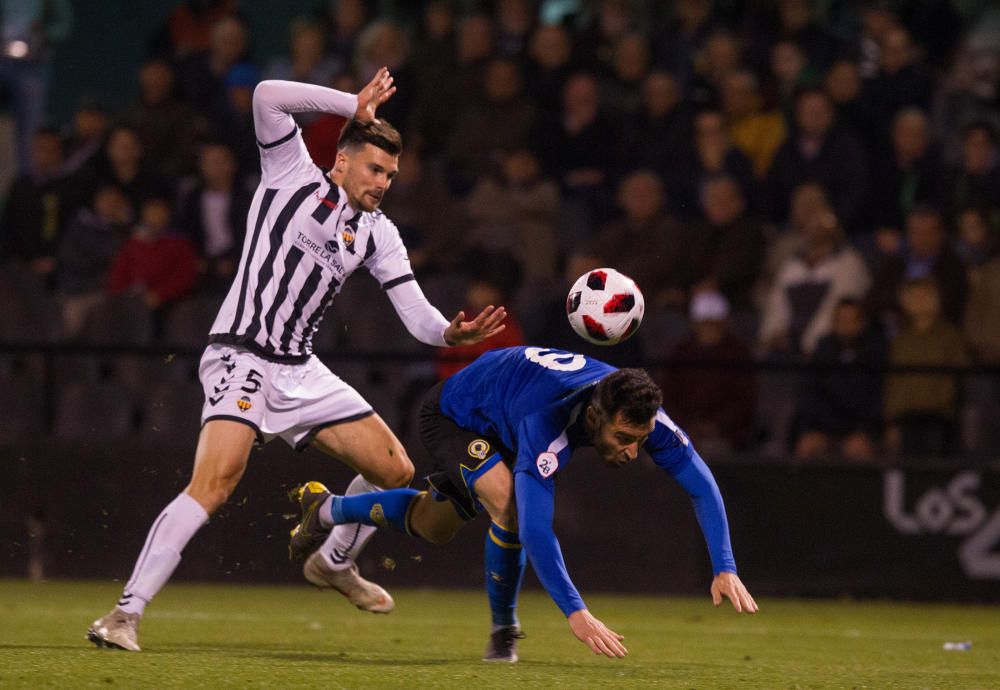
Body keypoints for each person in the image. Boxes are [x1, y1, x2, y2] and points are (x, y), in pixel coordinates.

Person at [87, 69, 506, 652]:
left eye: (391, 174)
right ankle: (124, 614)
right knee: (216, 482)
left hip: (300, 368)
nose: (383, 182)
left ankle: (333, 562)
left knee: (395, 469)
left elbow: (415, 314)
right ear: (342, 159)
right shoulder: (290, 175)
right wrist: (350, 103)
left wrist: (449, 333)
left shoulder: (378, 234)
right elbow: (266, 97)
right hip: (242, 356)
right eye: (374, 168)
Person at [288, 345, 757, 663]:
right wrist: (576, 611)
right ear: (594, 416)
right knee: (510, 507)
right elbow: (536, 529)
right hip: (459, 415)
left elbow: (702, 484)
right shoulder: (547, 423)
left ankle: (326, 508)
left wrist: (725, 565)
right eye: (624, 438)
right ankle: (503, 633)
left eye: (641, 438)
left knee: (433, 525)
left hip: (505, 415)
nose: (635, 451)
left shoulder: (641, 417)